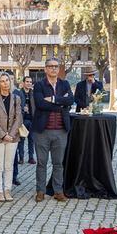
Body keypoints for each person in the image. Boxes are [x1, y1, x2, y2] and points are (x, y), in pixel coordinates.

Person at [31, 58, 74, 203]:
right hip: (42, 131)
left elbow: (70, 101)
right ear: (45, 69)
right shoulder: (39, 85)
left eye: (56, 66)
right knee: (41, 163)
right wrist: (61, 102)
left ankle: (58, 191)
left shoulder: (65, 83)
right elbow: (40, 103)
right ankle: (40, 191)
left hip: (61, 130)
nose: (54, 69)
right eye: (50, 66)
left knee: (58, 163)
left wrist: (53, 99)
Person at [0, 72, 24, 202]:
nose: (5, 83)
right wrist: (3, 135)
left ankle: (7, 190)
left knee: (9, 165)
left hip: (13, 137)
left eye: (7, 80)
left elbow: (18, 118)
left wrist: (11, 134)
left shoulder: (16, 98)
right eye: (2, 81)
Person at [17, 75, 36, 165]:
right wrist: (22, 109)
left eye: (30, 82)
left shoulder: (33, 93)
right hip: (22, 120)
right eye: (27, 82)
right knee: (21, 140)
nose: (29, 83)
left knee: (31, 140)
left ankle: (31, 158)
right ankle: (21, 158)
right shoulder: (19, 93)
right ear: (23, 83)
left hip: (32, 120)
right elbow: (15, 107)